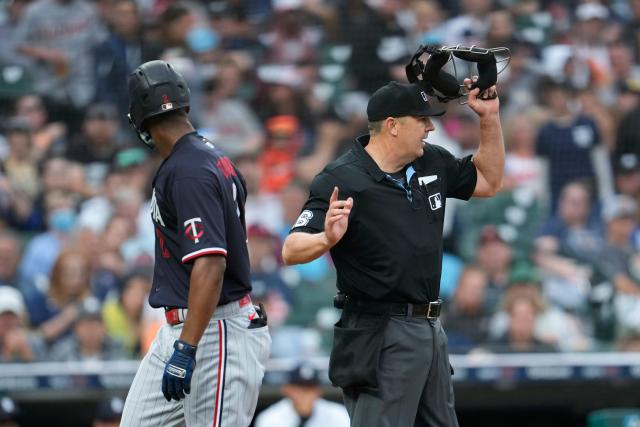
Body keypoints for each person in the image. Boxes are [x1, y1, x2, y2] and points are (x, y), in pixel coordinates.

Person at [282, 79, 504, 426]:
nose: (431, 127)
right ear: (393, 125)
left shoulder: (431, 161)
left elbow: (488, 181)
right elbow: (292, 249)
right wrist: (326, 238)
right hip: (379, 330)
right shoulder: (343, 177)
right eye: (423, 120)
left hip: (429, 326)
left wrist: (489, 119)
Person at [120, 60, 270, 426]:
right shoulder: (208, 156)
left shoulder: (188, 170)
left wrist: (187, 347)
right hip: (181, 327)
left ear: (140, 119)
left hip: (214, 331)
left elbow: (211, 264)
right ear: (185, 104)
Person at [254, 363, 350, 427]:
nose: (304, 394)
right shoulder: (270, 418)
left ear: (318, 391)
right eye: (299, 388)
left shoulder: (338, 415)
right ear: (287, 389)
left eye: (309, 388)